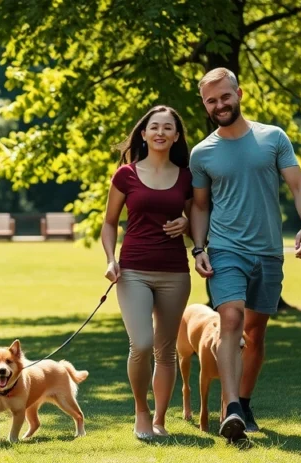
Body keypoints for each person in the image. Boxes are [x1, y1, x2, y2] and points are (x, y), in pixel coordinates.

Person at [190, 67, 301, 442]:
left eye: (224, 97)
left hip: (268, 252)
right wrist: (199, 248)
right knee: (230, 318)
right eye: (211, 101)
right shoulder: (202, 153)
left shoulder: (272, 138)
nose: (219, 105)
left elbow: (298, 185)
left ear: (238, 93)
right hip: (226, 248)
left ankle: (243, 402)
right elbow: (199, 207)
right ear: (205, 105)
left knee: (255, 332)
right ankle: (230, 408)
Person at [101, 105, 193, 440]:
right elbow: (109, 223)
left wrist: (188, 224)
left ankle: (159, 419)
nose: (160, 133)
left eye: (168, 128)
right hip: (134, 270)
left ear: (176, 136)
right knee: (141, 343)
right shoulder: (125, 175)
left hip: (174, 273)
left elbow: (199, 220)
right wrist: (111, 259)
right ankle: (141, 411)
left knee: (165, 350)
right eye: (154, 127)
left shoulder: (186, 176)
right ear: (143, 133)